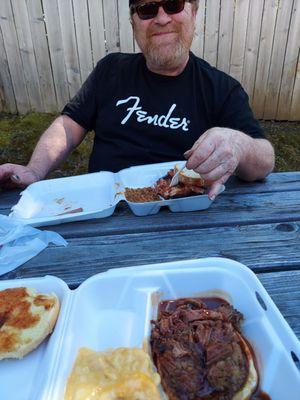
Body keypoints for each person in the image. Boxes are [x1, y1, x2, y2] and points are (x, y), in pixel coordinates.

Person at [0, 0, 274, 200]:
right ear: (133, 22)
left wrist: (239, 144)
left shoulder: (221, 88)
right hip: (101, 211)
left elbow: (264, 161)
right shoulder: (110, 70)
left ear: (194, 11)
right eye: (147, 9)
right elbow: (69, 125)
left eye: (173, 4)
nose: (162, 18)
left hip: (181, 222)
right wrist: (34, 171)